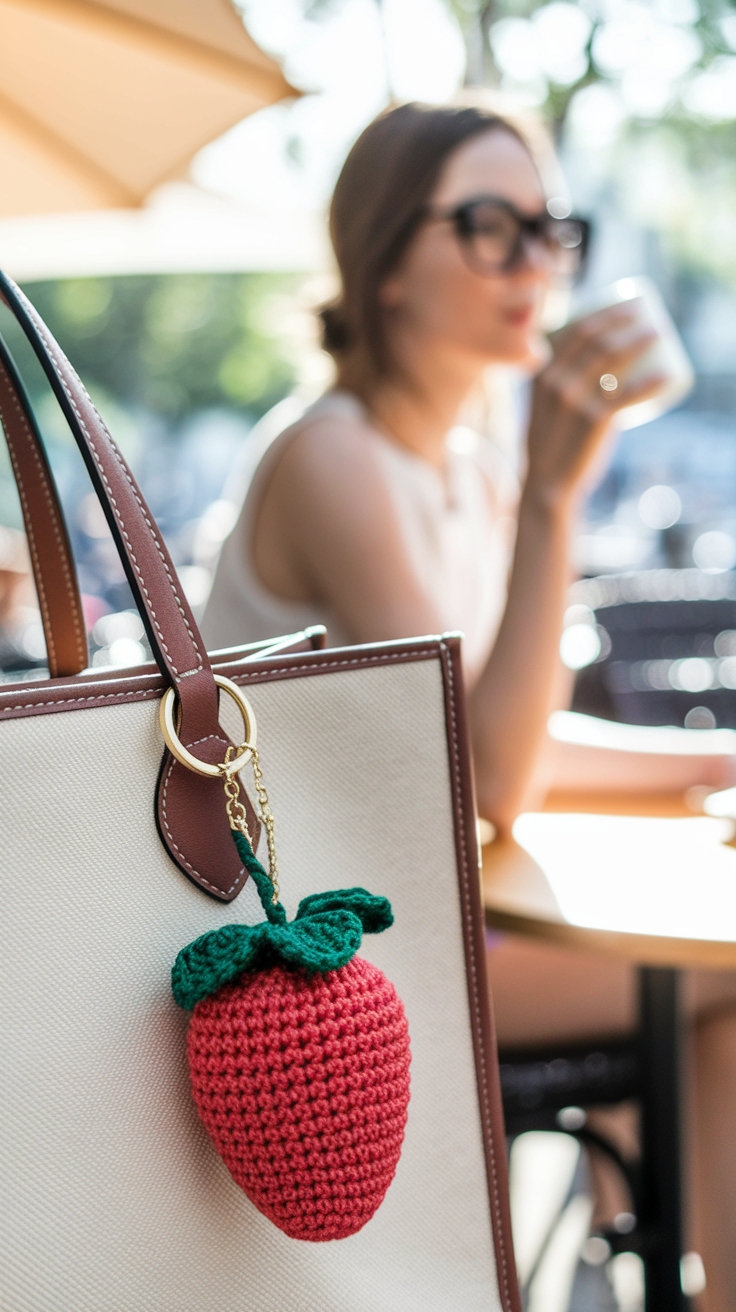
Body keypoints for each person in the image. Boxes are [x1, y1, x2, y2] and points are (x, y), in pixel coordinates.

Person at [204, 101, 736, 1308]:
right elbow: (483, 780)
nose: (535, 264)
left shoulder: (465, 464)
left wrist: (704, 768)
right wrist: (554, 501)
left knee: (714, 1017)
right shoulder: (335, 456)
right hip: (341, 966)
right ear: (385, 262)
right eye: (490, 227)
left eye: (551, 230)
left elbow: (512, 742)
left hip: (451, 916)